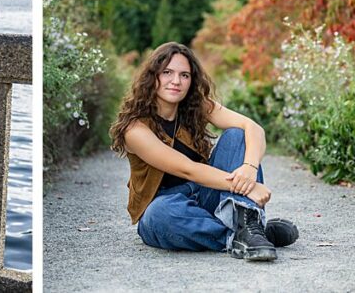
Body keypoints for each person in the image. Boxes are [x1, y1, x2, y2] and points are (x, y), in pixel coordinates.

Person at [109, 42, 299, 261]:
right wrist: (250, 186)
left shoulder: (195, 106)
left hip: (206, 193)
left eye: (184, 75)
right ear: (153, 77)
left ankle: (247, 223)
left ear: (192, 80)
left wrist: (249, 167)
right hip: (167, 206)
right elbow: (188, 169)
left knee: (237, 134)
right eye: (167, 73)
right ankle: (251, 233)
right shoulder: (135, 129)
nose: (176, 81)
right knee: (159, 215)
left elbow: (253, 128)